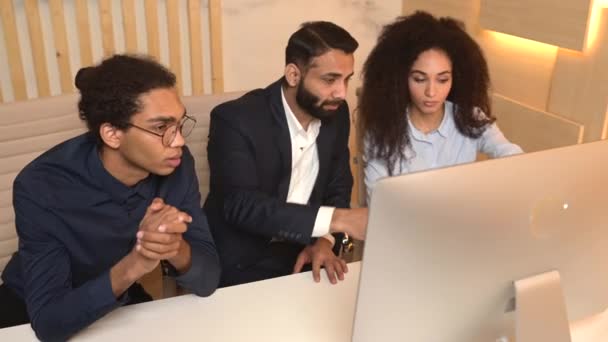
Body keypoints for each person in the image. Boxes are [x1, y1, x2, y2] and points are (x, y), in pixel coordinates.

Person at [0, 55, 221, 340]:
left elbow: (208, 279)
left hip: (119, 300)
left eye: (179, 124)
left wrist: (172, 246)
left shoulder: (176, 164)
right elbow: (49, 324)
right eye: (160, 128)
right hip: (28, 309)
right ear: (112, 134)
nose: (178, 140)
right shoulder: (41, 185)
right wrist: (137, 263)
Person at [205, 21, 368, 287]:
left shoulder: (335, 114)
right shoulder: (235, 119)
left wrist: (325, 241)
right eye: (330, 79)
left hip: (304, 250)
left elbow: (337, 186)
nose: (341, 92)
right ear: (293, 75)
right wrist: (340, 219)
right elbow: (241, 205)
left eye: (346, 79)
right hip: (241, 261)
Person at [359, 11, 523, 202]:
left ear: (456, 78)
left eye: (442, 79)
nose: (431, 92)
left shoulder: (469, 118)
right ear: (401, 78)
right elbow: (379, 201)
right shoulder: (384, 130)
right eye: (419, 79)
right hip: (406, 226)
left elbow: (512, 155)